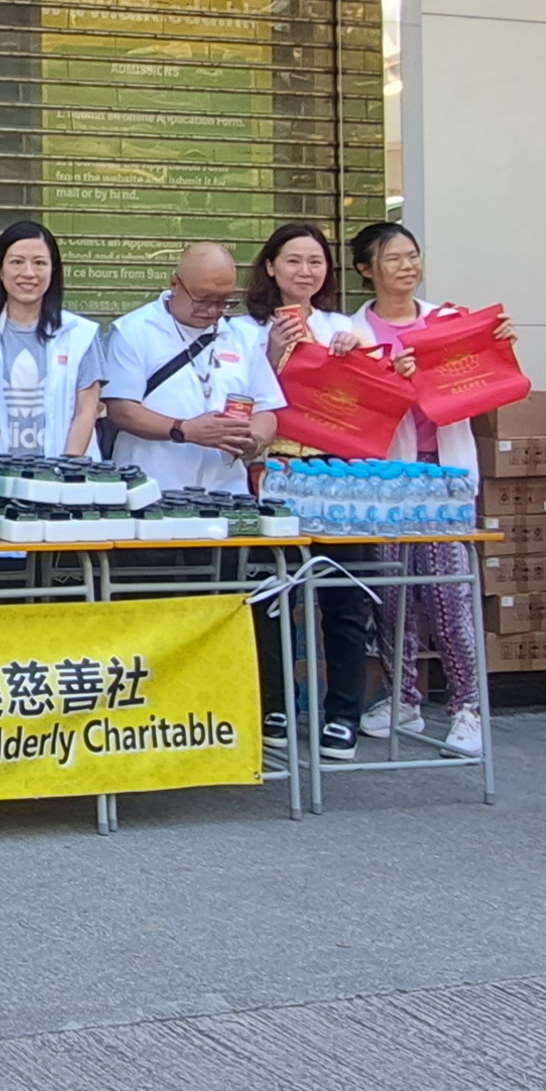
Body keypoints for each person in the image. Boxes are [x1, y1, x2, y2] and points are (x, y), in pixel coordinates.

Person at [343, 222, 494, 755]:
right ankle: (402, 696)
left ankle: (467, 707)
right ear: (366, 270)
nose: (407, 267)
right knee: (392, 591)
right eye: (393, 259)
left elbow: (480, 383)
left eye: (412, 256)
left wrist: (493, 345)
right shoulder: (352, 333)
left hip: (443, 472)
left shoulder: (447, 322)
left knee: (448, 591)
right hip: (387, 476)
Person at [249, 222, 378, 761]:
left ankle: (343, 714)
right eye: (293, 260)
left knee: (344, 596)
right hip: (272, 474)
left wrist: (359, 354)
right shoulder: (244, 330)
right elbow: (238, 396)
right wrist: (271, 353)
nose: (305, 271)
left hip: (338, 476)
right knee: (269, 595)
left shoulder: (343, 326)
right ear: (271, 266)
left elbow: (375, 392)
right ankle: (273, 705)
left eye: (315, 261)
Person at [100, 241, 285, 499]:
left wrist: (253, 441)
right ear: (175, 284)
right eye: (202, 299)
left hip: (225, 490)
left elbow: (266, 408)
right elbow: (121, 410)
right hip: (150, 487)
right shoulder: (133, 331)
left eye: (223, 301)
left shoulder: (243, 337)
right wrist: (183, 430)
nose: (212, 310)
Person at [0, 220, 106, 456]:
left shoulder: (80, 335)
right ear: (0, 270)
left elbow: (86, 412)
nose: (29, 273)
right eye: (17, 262)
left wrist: (67, 468)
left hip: (66, 474)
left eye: (39, 263)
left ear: (53, 270)